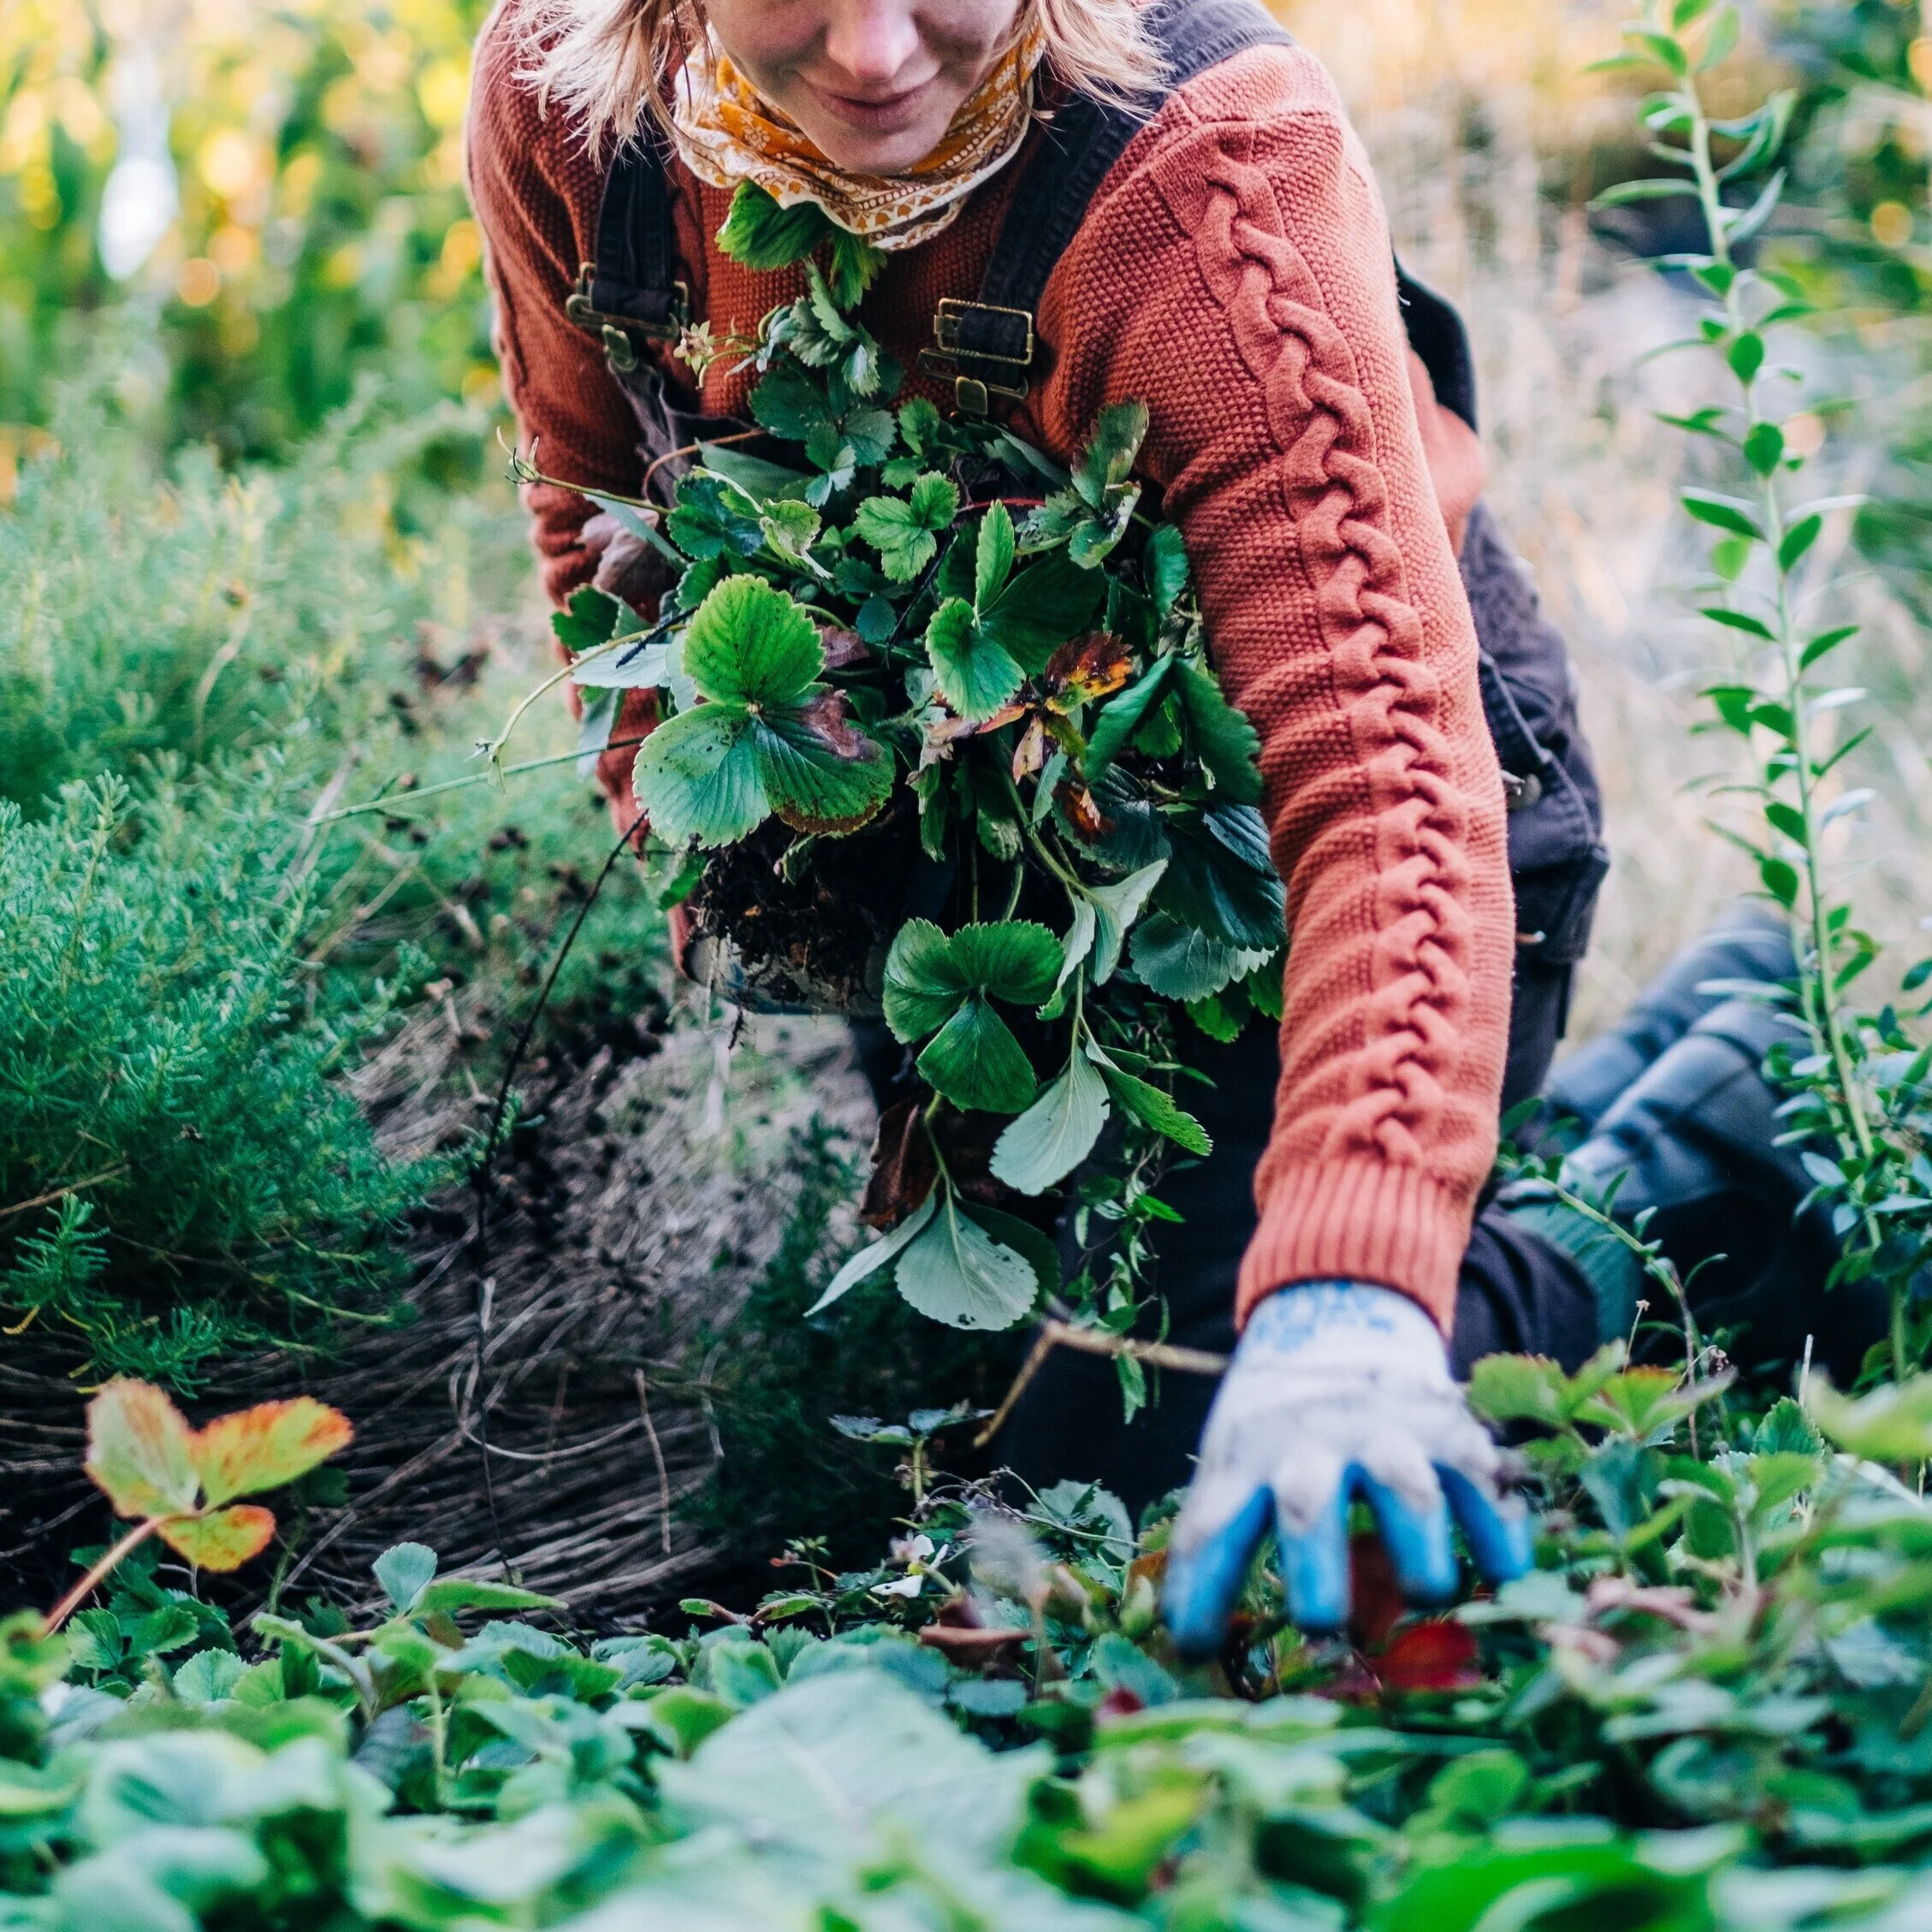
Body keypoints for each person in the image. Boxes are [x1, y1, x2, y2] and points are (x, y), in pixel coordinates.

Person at [465, 0, 1623, 1646]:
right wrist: (716, 852)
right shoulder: (562, 97)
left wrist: (1349, 1292)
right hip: (989, 877)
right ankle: (1506, 1158)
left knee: (1168, 1451)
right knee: (998, 1391)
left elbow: (1381, 784)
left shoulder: (1205, 165)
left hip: (1332, 842)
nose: (872, 54)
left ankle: (1692, 1165)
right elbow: (590, 496)